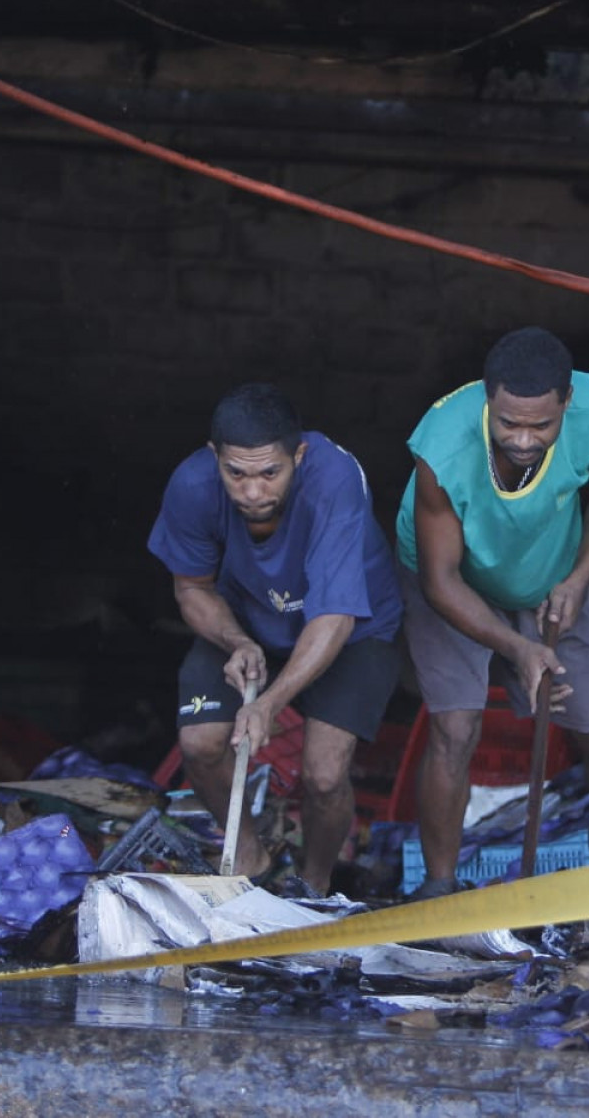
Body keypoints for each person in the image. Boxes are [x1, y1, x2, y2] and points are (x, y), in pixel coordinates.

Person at [396, 327, 589, 900]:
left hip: (549, 572)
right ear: (487, 400)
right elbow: (440, 581)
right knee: (456, 729)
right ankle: (440, 891)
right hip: (454, 586)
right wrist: (520, 649)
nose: (525, 439)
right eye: (509, 424)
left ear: (566, 405)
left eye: (541, 426)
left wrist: (579, 578)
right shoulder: (442, 446)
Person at [149, 383, 403, 894]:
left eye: (270, 472)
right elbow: (193, 589)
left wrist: (269, 702)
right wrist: (236, 641)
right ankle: (254, 861)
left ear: (299, 456)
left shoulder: (334, 478)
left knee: (325, 776)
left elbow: (335, 615)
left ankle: (313, 886)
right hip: (248, 619)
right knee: (199, 742)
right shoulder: (193, 485)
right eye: (235, 474)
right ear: (213, 456)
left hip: (351, 628)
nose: (252, 492)